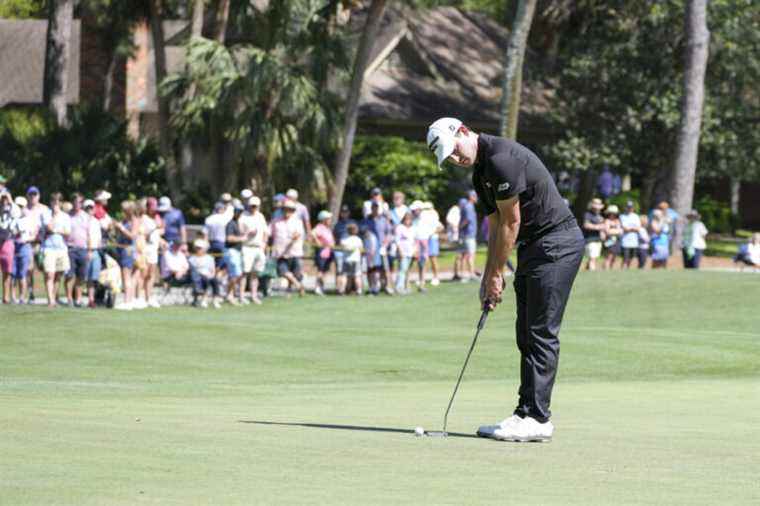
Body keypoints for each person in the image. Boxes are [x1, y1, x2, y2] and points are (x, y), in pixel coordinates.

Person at [427, 117, 584, 442]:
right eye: (449, 158)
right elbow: (496, 227)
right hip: (534, 247)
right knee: (525, 331)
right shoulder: (480, 173)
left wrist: (497, 273)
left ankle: (539, 418)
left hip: (557, 242)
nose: (456, 159)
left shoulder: (501, 159)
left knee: (540, 331)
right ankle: (525, 412)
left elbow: (511, 222)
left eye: (454, 150)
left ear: (464, 132)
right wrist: (488, 279)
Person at [40, 193, 72, 307]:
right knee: (49, 274)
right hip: (49, 248)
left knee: (59, 274)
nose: (56, 203)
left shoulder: (65, 216)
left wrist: (57, 230)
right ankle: (50, 300)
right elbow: (49, 227)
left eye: (58, 201)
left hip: (61, 248)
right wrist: (54, 215)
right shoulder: (46, 214)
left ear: (61, 203)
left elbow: (68, 232)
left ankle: (54, 297)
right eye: (54, 201)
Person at [270, 199, 305, 296]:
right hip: (280, 252)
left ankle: (290, 290)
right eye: (285, 209)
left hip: (294, 251)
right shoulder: (276, 222)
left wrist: (295, 237)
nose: (287, 212)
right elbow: (269, 233)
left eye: (290, 210)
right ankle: (298, 285)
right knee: (283, 271)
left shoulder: (297, 221)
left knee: (295, 273)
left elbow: (298, 233)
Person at [239, 196, 268, 304]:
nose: (253, 208)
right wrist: (248, 234)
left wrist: (264, 244)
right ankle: (241, 296)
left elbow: (265, 231)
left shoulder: (260, 216)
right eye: (252, 206)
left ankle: (254, 295)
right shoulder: (243, 217)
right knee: (244, 272)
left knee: (255, 273)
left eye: (255, 206)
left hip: (258, 247)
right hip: (247, 247)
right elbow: (240, 232)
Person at [64, 193, 91, 307]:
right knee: (70, 275)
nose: (77, 204)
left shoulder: (86, 217)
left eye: (79, 202)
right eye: (75, 201)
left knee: (81, 276)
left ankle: (78, 298)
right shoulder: (67, 216)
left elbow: (89, 235)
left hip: (83, 249)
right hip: (70, 248)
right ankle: (69, 298)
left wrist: (89, 251)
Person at [362, 201, 393, 294]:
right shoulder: (367, 220)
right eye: (373, 207)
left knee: (385, 268)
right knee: (372, 268)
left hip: (382, 247)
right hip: (371, 249)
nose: (374, 209)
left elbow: (389, 233)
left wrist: (385, 244)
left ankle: (387, 286)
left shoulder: (383, 219)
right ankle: (373, 287)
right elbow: (363, 232)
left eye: (376, 207)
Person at [112, 201, 138, 310]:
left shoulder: (134, 221)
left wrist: (121, 228)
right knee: (126, 276)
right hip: (122, 249)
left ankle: (127, 302)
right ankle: (129, 300)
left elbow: (133, 236)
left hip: (128, 250)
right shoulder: (125, 220)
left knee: (126, 275)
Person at [11, 196, 35, 304]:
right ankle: (13, 296)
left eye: (21, 206)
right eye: (17, 206)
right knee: (13, 274)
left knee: (22, 274)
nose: (19, 208)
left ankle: (22, 297)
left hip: (24, 247)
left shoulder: (28, 220)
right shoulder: (12, 219)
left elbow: (33, 235)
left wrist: (26, 239)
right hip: (14, 246)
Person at [223, 201, 246, 305]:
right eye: (238, 211)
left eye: (241, 211)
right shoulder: (230, 224)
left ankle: (230, 295)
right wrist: (242, 238)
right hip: (231, 251)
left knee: (235, 274)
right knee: (236, 274)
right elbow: (229, 238)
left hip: (237, 251)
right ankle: (228, 294)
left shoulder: (237, 223)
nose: (239, 213)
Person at [188, 239, 221, 308]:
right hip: (198, 277)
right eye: (197, 248)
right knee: (205, 280)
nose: (198, 249)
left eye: (200, 248)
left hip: (209, 275)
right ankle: (204, 300)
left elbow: (213, 269)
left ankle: (215, 300)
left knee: (215, 280)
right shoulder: (191, 259)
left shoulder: (210, 258)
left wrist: (211, 275)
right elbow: (194, 270)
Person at [82, 199, 103, 308]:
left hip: (96, 251)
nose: (90, 210)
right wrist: (89, 251)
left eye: (91, 208)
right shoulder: (82, 221)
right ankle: (78, 299)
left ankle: (91, 299)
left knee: (93, 278)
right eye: (88, 208)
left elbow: (98, 238)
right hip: (85, 251)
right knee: (82, 277)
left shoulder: (96, 221)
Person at [333, 205, 356, 294]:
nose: (344, 214)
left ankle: (350, 289)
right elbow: (334, 237)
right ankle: (339, 289)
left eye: (346, 212)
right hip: (339, 250)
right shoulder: (337, 225)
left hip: (351, 251)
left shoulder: (353, 222)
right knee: (340, 270)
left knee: (351, 270)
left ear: (348, 213)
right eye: (343, 212)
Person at [0, 191, 18, 303]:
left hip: (7, 241)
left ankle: (6, 296)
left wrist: (10, 200)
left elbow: (17, 213)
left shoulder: (13, 209)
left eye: (5, 198)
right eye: (2, 198)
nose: (4, 200)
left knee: (7, 271)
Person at [311, 210, 335, 296]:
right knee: (320, 271)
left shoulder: (327, 228)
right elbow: (312, 233)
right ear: (324, 220)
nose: (330, 220)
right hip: (322, 253)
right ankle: (317, 287)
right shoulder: (319, 227)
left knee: (325, 271)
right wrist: (317, 241)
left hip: (328, 253)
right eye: (328, 219)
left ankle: (321, 287)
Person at [456, 191, 478, 281]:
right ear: (471, 197)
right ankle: (471, 274)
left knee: (465, 255)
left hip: (467, 234)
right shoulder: (469, 206)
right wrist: (460, 227)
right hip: (469, 235)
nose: (477, 198)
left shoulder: (469, 206)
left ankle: (464, 275)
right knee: (470, 255)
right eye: (475, 196)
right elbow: (467, 220)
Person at [421, 202, 443, 286]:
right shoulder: (423, 217)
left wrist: (432, 233)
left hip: (432, 239)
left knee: (433, 258)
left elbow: (441, 227)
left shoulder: (434, 215)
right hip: (425, 239)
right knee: (424, 259)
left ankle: (436, 277)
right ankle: (423, 277)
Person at [393, 212, 416, 294]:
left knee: (407, 270)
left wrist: (415, 251)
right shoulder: (400, 228)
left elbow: (414, 240)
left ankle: (406, 286)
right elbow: (397, 240)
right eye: (406, 219)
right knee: (402, 269)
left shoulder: (412, 228)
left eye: (409, 219)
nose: (408, 221)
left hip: (410, 252)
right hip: (403, 252)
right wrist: (400, 251)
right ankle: (399, 287)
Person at [204, 202, 230, 272]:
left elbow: (205, 234)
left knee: (211, 264)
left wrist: (206, 244)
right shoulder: (225, 219)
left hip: (211, 244)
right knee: (222, 265)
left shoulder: (209, 219)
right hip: (222, 244)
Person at [339, 222, 363, 295]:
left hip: (346, 260)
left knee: (345, 275)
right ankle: (359, 290)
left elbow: (342, 247)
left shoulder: (344, 239)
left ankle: (343, 290)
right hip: (356, 260)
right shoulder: (358, 239)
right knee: (357, 276)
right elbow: (361, 249)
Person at [582, 198, 605, 271]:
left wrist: (602, 233)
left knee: (593, 258)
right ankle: (592, 271)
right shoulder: (588, 214)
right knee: (592, 258)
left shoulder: (599, 216)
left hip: (598, 239)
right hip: (590, 239)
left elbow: (602, 227)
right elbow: (586, 225)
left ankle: (587, 270)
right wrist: (598, 227)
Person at [619, 201, 640, 269]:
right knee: (625, 257)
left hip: (634, 241)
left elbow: (638, 228)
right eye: (628, 207)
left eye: (631, 207)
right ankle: (623, 269)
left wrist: (630, 228)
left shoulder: (636, 216)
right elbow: (625, 228)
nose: (629, 209)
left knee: (631, 258)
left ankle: (628, 269)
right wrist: (633, 228)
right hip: (625, 241)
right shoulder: (622, 216)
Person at [602, 204, 622, 270]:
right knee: (609, 256)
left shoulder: (618, 221)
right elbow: (607, 231)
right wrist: (616, 231)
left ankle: (611, 270)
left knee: (615, 257)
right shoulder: (607, 220)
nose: (612, 215)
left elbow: (620, 231)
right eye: (611, 213)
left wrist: (613, 231)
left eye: (614, 213)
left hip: (617, 240)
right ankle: (606, 270)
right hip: (609, 241)